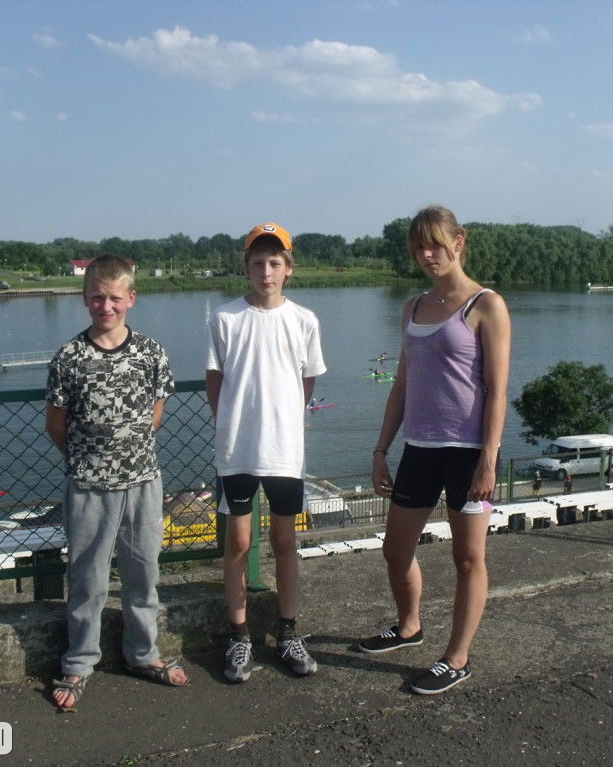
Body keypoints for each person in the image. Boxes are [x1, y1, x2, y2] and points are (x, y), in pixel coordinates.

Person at [360, 205, 511, 695]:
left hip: (467, 452)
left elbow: (497, 391)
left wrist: (488, 459)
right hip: (419, 449)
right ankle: (409, 627)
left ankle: (457, 657)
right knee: (395, 549)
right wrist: (381, 449)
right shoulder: (413, 308)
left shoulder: (486, 305)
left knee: (467, 559)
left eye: (434, 245)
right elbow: (402, 384)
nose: (426, 255)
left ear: (458, 242)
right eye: (418, 248)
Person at [46, 254, 187, 713]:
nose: (105, 307)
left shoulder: (151, 352)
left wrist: (129, 453)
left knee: (143, 573)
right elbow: (55, 423)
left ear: (130, 298)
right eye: (97, 298)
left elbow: (156, 412)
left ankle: (143, 653)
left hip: (143, 482)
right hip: (88, 485)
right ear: (84, 299)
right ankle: (79, 662)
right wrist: (88, 459)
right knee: (87, 579)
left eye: (114, 298)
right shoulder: (69, 357)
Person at [206, 222, 327, 683]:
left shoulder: (304, 320)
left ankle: (288, 632)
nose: (266, 272)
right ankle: (239, 637)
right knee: (238, 542)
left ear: (288, 268)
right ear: (246, 268)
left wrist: (284, 420)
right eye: (258, 263)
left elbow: (306, 381)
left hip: (284, 452)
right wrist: (234, 423)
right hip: (237, 450)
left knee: (284, 541)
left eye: (275, 263)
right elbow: (215, 381)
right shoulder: (225, 318)